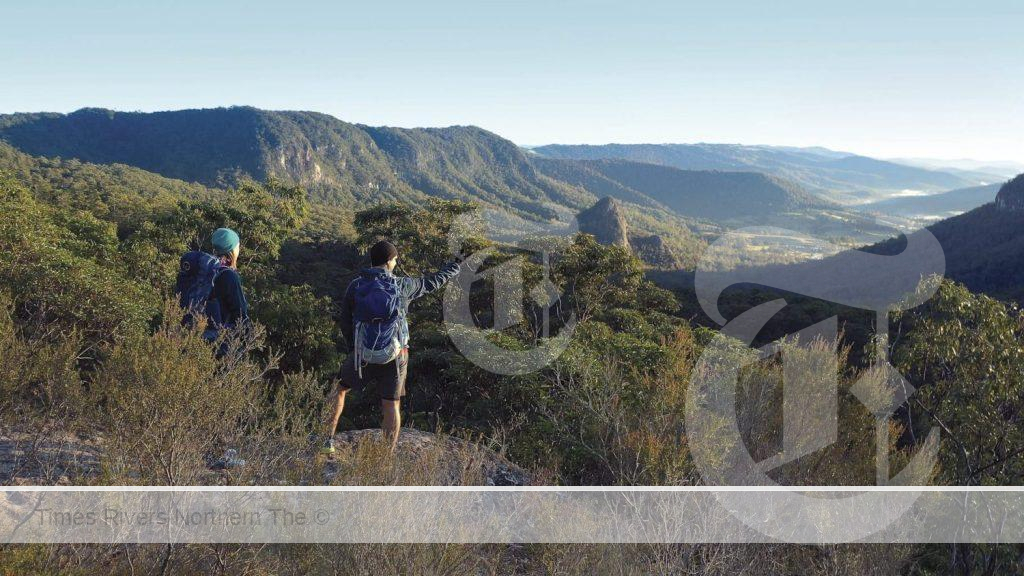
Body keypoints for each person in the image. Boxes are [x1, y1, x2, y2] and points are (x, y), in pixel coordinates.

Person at [322, 240, 461, 454]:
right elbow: (432, 282)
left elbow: (345, 321)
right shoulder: (403, 286)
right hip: (395, 356)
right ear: (388, 261)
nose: (396, 262)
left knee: (339, 390)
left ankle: (326, 442)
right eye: (395, 259)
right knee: (391, 404)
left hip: (362, 355)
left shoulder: (356, 286)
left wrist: (354, 349)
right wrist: (453, 267)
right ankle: (387, 455)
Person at [175, 227, 249, 344]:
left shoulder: (199, 267)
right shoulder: (228, 275)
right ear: (232, 249)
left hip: (187, 335)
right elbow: (240, 315)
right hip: (216, 342)